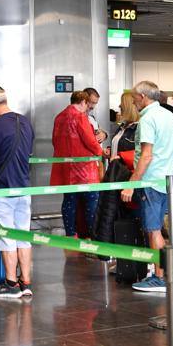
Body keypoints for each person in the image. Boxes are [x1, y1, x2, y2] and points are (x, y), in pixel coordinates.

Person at [120, 81, 173, 293]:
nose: (133, 101)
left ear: (143, 97)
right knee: (157, 228)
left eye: (135, 97)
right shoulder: (166, 115)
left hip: (151, 180)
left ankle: (161, 277)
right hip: (166, 179)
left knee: (153, 230)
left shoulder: (148, 119)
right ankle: (163, 273)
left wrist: (131, 184)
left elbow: (146, 155)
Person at [0, 84, 36, 299]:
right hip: (24, 187)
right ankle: (26, 282)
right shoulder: (26, 122)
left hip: (2, 189)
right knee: (23, 235)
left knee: (6, 237)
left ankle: (10, 284)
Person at [51, 91, 106, 239]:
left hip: (65, 168)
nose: (88, 108)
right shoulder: (80, 117)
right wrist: (101, 152)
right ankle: (92, 236)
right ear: (83, 101)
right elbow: (90, 141)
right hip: (84, 169)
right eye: (88, 104)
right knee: (91, 202)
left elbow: (55, 142)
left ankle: (71, 235)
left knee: (69, 201)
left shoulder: (59, 117)